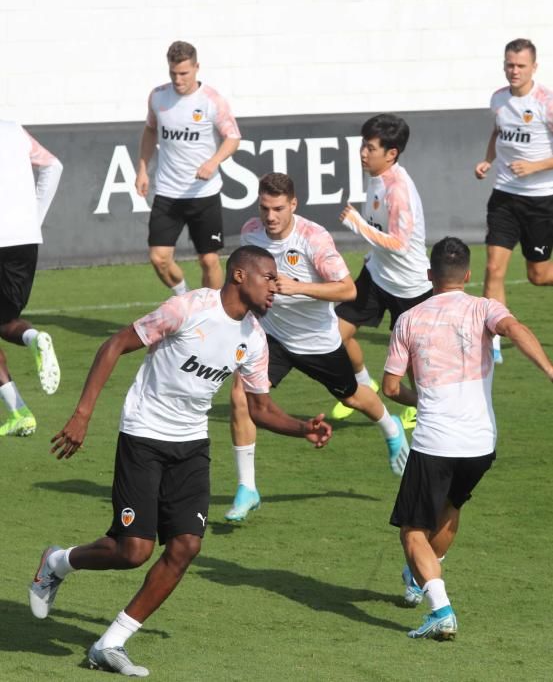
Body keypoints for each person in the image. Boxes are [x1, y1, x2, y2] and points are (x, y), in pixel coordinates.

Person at [28, 245, 332, 678]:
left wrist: (303, 428)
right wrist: (82, 415)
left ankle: (110, 643)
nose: (275, 287)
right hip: (144, 434)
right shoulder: (187, 309)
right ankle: (57, 562)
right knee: (134, 551)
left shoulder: (255, 338)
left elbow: (261, 409)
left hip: (191, 444)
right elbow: (115, 344)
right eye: (269, 277)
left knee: (186, 546)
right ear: (241, 276)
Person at [382, 236, 553, 640]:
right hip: (481, 444)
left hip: (435, 442)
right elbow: (515, 328)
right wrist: (548, 368)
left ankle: (440, 608)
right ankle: (423, 572)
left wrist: (417, 398)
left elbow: (390, 388)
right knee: (451, 504)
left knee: (411, 530)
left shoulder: (409, 319)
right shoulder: (485, 308)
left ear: (429, 276)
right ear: (469, 276)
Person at [225, 172, 410, 522]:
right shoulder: (250, 232)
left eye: (278, 208)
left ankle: (391, 427)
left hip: (317, 341)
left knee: (353, 396)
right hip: (270, 337)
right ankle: (247, 488)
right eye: (265, 208)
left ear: (293, 205)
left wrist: (297, 288)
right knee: (240, 397)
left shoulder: (313, 238)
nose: (270, 217)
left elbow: (347, 290)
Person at [331, 113, 432, 430]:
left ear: (391, 153)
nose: (363, 152)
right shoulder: (376, 175)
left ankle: (423, 408)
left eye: (370, 148)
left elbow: (400, 244)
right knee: (334, 334)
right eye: (363, 145)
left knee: (415, 365)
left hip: (409, 287)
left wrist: (358, 226)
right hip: (376, 276)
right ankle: (364, 383)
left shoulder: (398, 189)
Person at [135, 40, 241, 293]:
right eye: (173, 73)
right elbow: (150, 130)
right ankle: (184, 299)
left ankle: (211, 313)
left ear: (196, 68)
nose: (178, 79)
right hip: (168, 192)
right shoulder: (158, 96)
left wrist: (213, 162)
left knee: (209, 260)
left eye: (184, 73)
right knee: (159, 258)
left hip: (203, 193)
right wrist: (142, 168)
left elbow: (233, 137)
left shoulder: (211, 100)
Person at [475, 38, 553, 364]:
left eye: (521, 65)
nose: (514, 70)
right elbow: (498, 132)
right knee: (493, 268)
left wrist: (535, 166)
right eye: (509, 64)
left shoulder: (546, 102)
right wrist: (488, 160)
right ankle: (490, 342)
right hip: (504, 196)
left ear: (534, 67)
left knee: (539, 276)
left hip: (541, 201)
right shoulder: (498, 98)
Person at [0, 120, 63, 437]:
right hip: (24, 239)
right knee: (5, 319)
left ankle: (18, 409)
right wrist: (33, 218)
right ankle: (33, 339)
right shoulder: (13, 129)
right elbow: (54, 166)